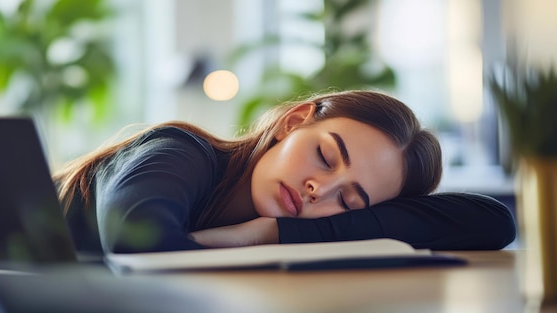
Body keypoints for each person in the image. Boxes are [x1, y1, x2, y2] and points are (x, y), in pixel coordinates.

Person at [54, 90, 516, 255]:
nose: (321, 191)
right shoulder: (179, 151)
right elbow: (139, 241)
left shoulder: (273, 231)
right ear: (292, 122)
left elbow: (492, 222)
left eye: (350, 202)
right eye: (325, 156)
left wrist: (263, 235)